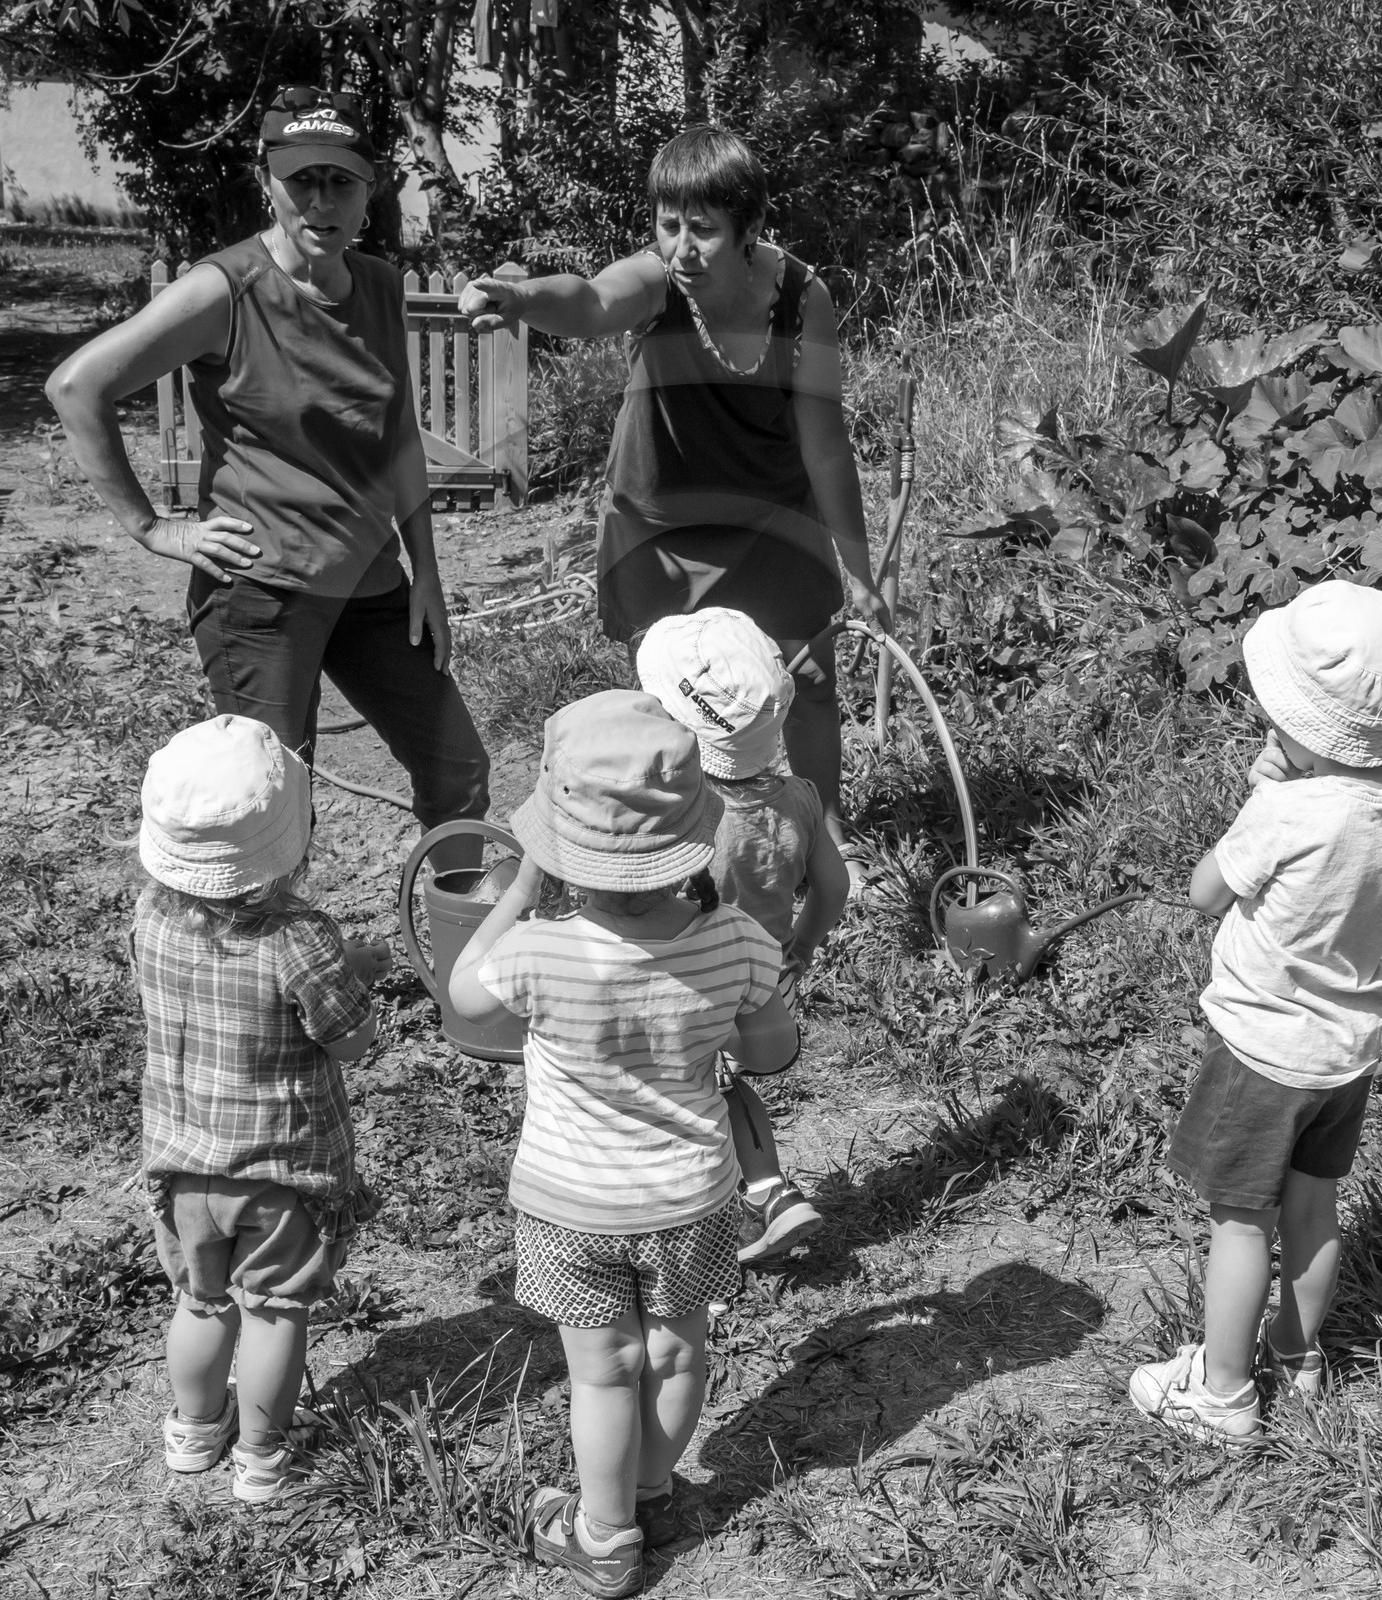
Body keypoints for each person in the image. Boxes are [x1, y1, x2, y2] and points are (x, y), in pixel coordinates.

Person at [47, 86, 489, 870]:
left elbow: (396, 441)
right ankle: (277, 985)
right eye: (302, 180)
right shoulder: (227, 291)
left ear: (371, 188)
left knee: (459, 770)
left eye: (341, 181)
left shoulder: (381, 287)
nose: (321, 201)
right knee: (273, 809)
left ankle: (458, 967)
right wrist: (153, 528)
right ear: (267, 182)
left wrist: (427, 571)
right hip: (260, 593)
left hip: (371, 584)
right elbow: (78, 387)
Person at [457, 124, 890, 876]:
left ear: (751, 228)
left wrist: (860, 569)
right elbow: (590, 301)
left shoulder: (801, 299)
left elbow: (825, 443)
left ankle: (825, 833)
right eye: (668, 224)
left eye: (704, 229)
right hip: (662, 530)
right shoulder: (659, 284)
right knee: (676, 700)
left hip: (770, 518)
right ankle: (678, 854)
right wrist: (522, 298)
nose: (681, 247)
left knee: (812, 681)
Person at [447, 691, 798, 1596]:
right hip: (692, 1196)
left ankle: (603, 1539)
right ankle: (651, 1489)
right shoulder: (738, 941)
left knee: (603, 1375)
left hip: (572, 1207)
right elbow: (773, 1051)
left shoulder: (536, 951)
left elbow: (465, 998)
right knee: (679, 1352)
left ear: (564, 850)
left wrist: (522, 889)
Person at [1129, 581, 1382, 1442]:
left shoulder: (1285, 808)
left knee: (1238, 1223)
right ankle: (1298, 1359)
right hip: (1346, 1050)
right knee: (1311, 1210)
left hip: (1263, 1051)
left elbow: (1201, 893)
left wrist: (1263, 797)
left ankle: (1223, 1394)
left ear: (1305, 725)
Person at [133, 715, 390, 1502]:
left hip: (183, 1166)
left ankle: (191, 1431)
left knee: (203, 1301)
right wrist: (353, 981)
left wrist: (331, 966)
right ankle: (262, 1458)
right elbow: (349, 1040)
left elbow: (229, 988)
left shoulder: (150, 915)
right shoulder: (298, 936)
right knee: (276, 1311)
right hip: (277, 1172)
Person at [637, 606, 850, 1266]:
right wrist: (803, 947)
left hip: (681, 991)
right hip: (757, 987)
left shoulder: (681, 814)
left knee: (679, 1110)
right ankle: (770, 1189)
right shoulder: (800, 799)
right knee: (728, 1087)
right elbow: (834, 889)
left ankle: (702, 1244)